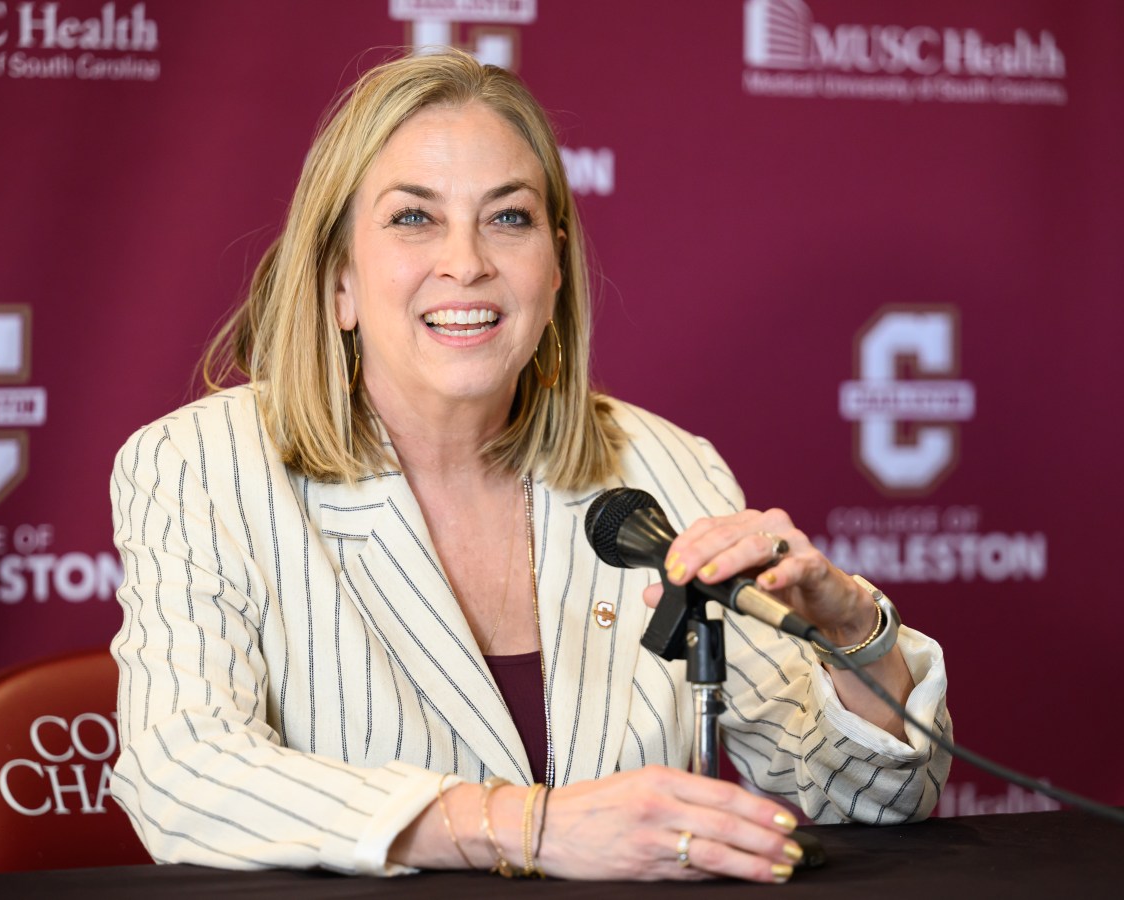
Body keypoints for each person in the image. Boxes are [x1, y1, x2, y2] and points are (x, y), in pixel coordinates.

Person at [109, 48, 951, 883]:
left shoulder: (666, 466)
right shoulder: (198, 466)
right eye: (413, 217)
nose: (467, 261)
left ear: (552, 271)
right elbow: (183, 776)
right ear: (340, 283)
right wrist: (534, 829)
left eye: (507, 217)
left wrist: (854, 636)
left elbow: (873, 803)